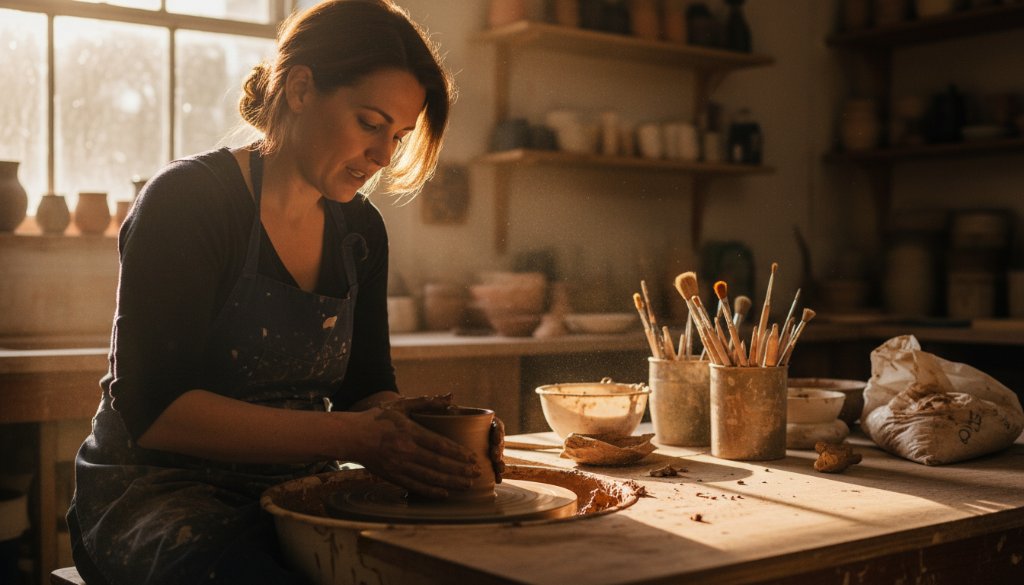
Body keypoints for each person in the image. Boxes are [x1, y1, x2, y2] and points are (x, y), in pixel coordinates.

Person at [67, 2, 503, 583]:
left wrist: (431, 435)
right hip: (155, 494)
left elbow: (363, 391)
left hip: (293, 488)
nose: (382, 156)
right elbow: (157, 412)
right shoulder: (189, 201)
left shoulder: (360, 231)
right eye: (370, 123)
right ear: (300, 89)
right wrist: (356, 437)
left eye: (398, 136)